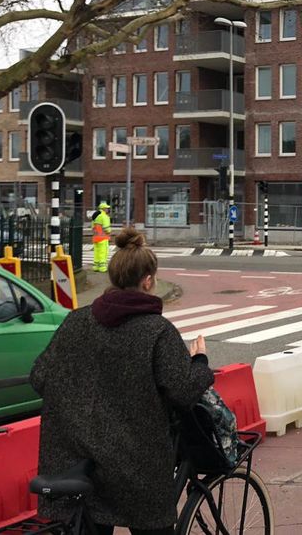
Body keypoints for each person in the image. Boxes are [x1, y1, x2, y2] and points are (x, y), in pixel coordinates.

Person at [30, 227, 214, 534]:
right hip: (136, 466)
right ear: (148, 280)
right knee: (150, 523)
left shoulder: (76, 321)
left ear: (113, 279)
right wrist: (200, 361)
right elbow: (182, 390)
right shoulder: (157, 331)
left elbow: (40, 377)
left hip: (79, 460)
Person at [91, 202, 112, 273]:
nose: (108, 210)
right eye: (107, 208)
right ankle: (102, 268)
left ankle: (96, 267)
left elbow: (93, 227)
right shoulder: (104, 216)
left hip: (96, 237)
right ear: (104, 209)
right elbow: (106, 228)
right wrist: (109, 232)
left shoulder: (95, 216)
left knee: (97, 252)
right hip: (103, 238)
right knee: (103, 252)